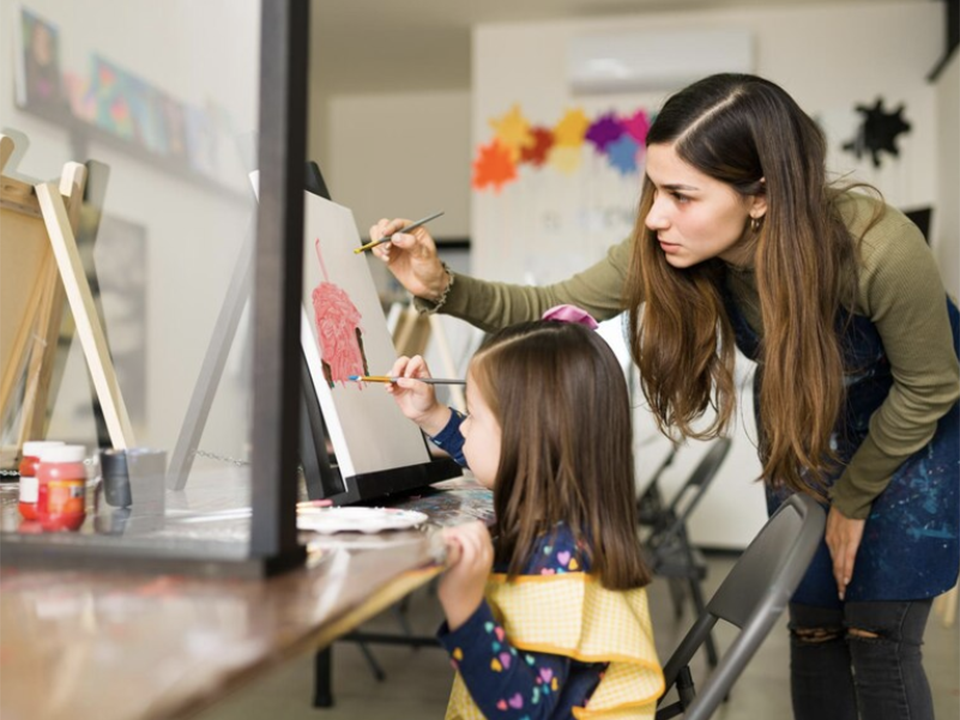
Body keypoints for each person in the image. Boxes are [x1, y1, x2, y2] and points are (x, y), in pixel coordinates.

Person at [371, 73, 960, 720]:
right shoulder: (670, 241)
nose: (655, 216)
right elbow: (548, 310)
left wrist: (853, 499)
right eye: (655, 189)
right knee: (812, 623)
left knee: (878, 633)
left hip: (912, 419)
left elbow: (930, 384)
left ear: (759, 196)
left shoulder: (879, 248)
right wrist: (438, 283)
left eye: (682, 195)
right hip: (803, 412)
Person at [386, 312, 664, 719]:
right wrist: (432, 415)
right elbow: (495, 457)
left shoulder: (558, 555)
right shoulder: (571, 513)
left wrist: (463, 605)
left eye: (473, 417)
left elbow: (523, 712)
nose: (464, 430)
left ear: (529, 443)